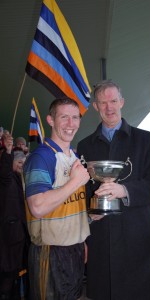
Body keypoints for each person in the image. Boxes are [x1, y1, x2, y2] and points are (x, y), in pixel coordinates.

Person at [77, 80, 150, 300]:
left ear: (122, 102)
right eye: (103, 102)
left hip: (138, 240)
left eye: (114, 101)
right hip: (101, 241)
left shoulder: (144, 140)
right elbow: (82, 191)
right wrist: (91, 211)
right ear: (96, 107)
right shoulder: (84, 146)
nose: (109, 107)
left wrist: (124, 190)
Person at [23, 98, 90, 300]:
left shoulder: (74, 158)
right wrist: (74, 182)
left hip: (74, 250)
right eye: (64, 117)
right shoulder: (42, 157)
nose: (71, 124)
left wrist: (81, 237)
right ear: (50, 120)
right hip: (49, 254)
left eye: (75, 117)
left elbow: (70, 205)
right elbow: (38, 206)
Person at [0, 133, 29, 300]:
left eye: (23, 163)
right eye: (19, 162)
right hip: (8, 238)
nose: (21, 166)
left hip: (19, 237)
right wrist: (9, 151)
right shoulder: (6, 178)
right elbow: (4, 172)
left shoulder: (19, 179)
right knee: (7, 276)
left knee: (16, 275)